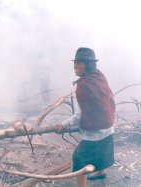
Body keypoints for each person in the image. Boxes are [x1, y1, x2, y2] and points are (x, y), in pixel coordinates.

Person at [56, 47, 116, 187]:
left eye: (79, 63)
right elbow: (110, 99)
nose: (75, 66)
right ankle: (100, 172)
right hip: (108, 127)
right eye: (74, 63)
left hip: (97, 132)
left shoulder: (83, 86)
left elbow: (78, 116)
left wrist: (63, 125)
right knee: (102, 150)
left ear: (88, 65)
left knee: (79, 158)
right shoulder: (99, 76)